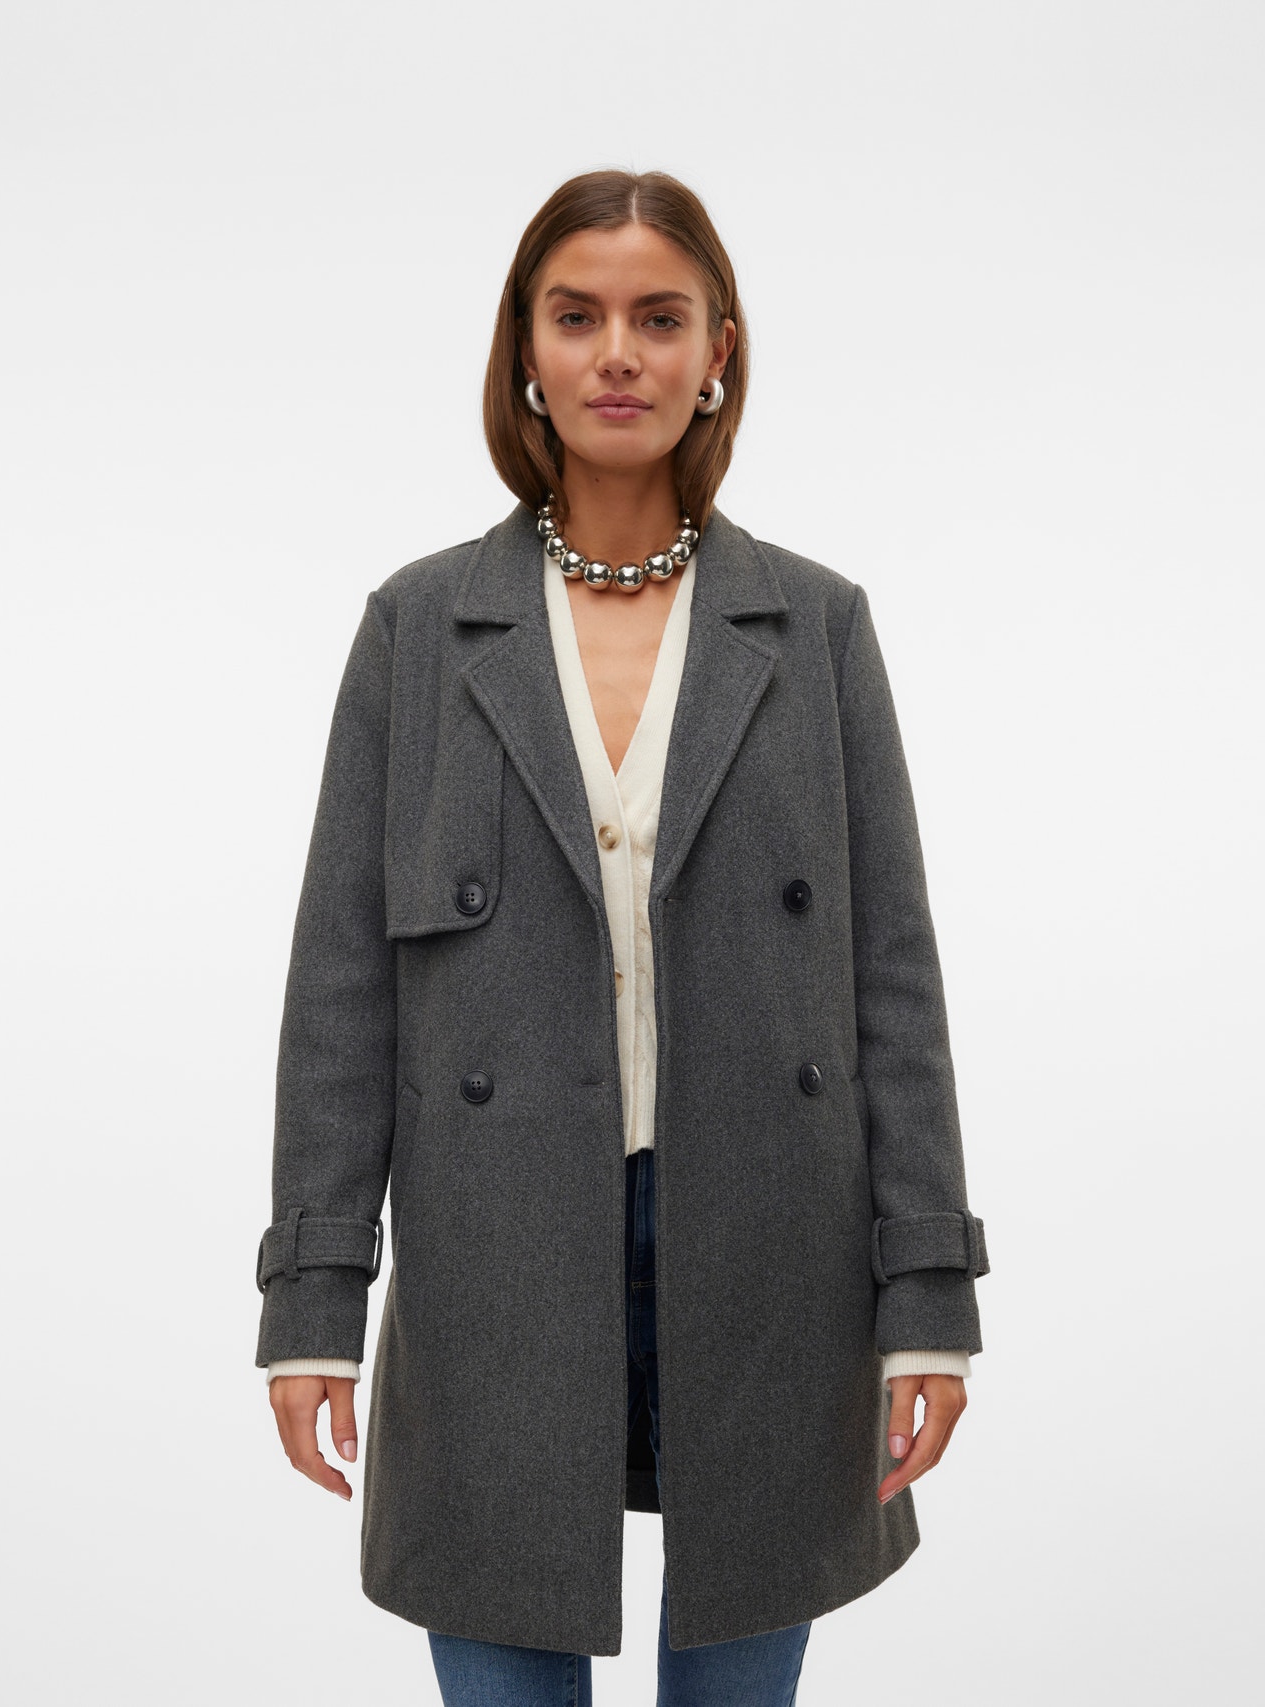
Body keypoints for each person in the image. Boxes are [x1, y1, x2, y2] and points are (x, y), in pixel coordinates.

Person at [255, 167, 989, 1706]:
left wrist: (927, 1293)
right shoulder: (419, 627)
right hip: (496, 1243)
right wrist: (314, 1301)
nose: (617, 356)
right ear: (525, 348)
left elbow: (891, 979)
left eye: (659, 319)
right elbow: (341, 989)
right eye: (576, 316)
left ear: (719, 350)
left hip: (770, 1244)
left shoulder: (817, 624)